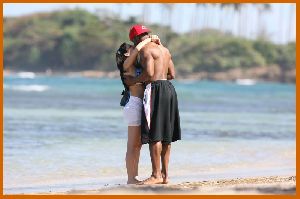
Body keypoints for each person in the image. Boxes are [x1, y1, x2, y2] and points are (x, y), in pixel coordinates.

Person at [125, 25, 181, 185]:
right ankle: (165, 176)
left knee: (154, 133)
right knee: (166, 135)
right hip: (169, 90)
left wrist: (133, 81)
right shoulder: (165, 50)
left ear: (135, 39)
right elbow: (172, 74)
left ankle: (155, 175)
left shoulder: (145, 51)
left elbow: (148, 73)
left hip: (154, 89)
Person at [116, 35, 160, 184]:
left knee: (138, 144)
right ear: (127, 53)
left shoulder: (136, 66)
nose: (135, 48)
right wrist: (148, 40)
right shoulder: (126, 65)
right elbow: (139, 49)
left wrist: (156, 44)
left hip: (141, 104)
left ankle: (134, 176)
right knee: (132, 145)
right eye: (131, 48)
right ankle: (130, 178)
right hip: (133, 105)